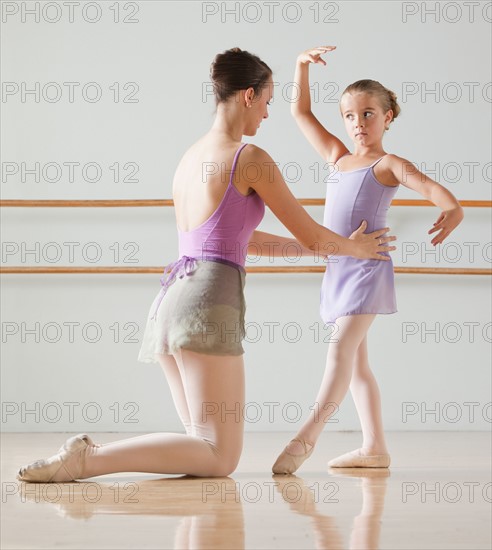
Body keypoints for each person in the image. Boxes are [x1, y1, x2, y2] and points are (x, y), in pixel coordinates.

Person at [17, 48, 396, 483]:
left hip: (170, 301)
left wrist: (323, 250)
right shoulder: (250, 158)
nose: (268, 114)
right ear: (249, 96)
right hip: (208, 304)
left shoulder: (190, 156)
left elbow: (240, 239)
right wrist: (354, 249)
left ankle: (87, 459)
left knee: (202, 446)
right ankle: (87, 458)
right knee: (220, 457)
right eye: (268, 102)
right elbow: (312, 233)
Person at [272, 46, 464, 474]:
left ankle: (307, 437)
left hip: (367, 268)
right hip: (339, 266)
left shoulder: (388, 164)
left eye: (369, 114)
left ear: (388, 116)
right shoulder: (337, 158)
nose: (358, 123)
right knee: (357, 363)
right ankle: (374, 448)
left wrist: (452, 208)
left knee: (340, 351)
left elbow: (433, 189)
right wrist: (301, 67)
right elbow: (300, 112)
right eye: (350, 116)